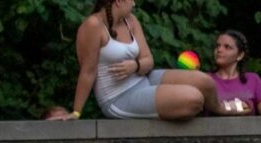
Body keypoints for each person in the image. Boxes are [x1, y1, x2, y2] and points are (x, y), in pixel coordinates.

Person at [63, 0, 243, 120]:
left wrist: (135, 65)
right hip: (119, 98)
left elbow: (148, 60)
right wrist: (76, 112)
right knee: (194, 98)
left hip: (143, 78)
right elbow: (88, 71)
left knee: (204, 81)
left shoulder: (131, 20)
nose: (134, 3)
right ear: (118, 1)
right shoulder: (93, 26)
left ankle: (219, 108)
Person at [210, 30, 261, 116]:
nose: (219, 50)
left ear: (240, 55)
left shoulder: (253, 79)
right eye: (217, 46)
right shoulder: (206, 79)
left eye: (227, 47)